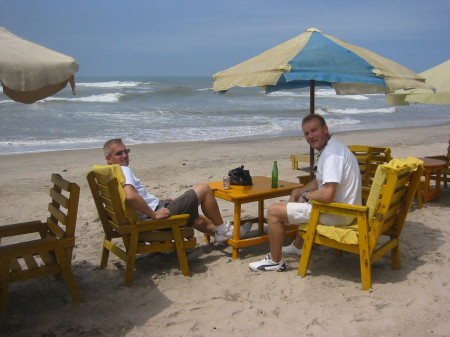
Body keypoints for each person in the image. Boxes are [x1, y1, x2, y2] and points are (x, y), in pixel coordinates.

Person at [249, 114, 362, 272]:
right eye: (306, 133)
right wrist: (300, 190)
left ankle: (275, 261)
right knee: (300, 199)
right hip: (346, 209)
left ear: (325, 129)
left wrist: (305, 195)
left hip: (338, 213)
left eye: (314, 131)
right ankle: (298, 246)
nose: (310, 136)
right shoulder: (333, 147)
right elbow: (319, 180)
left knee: (273, 211)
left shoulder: (331, 155)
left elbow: (327, 194)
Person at [103, 139, 251, 242]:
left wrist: (159, 201)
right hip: (153, 219)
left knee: (195, 217)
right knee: (205, 189)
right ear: (109, 158)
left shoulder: (109, 173)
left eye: (126, 151)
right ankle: (223, 230)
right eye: (119, 153)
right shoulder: (123, 170)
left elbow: (132, 197)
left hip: (149, 212)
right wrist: (154, 214)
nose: (125, 155)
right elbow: (130, 197)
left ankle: (227, 233)